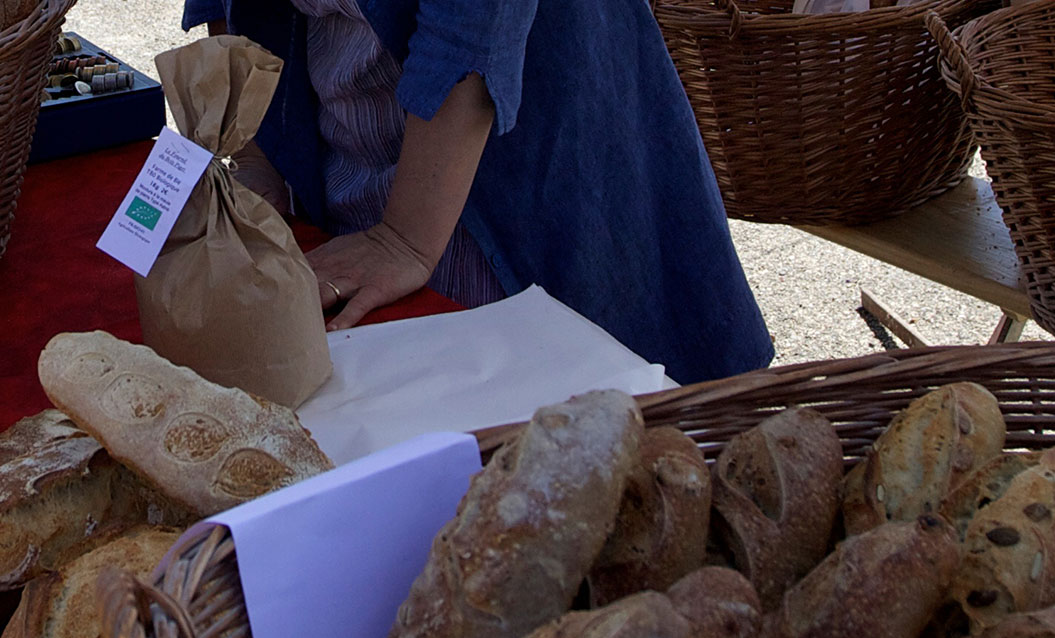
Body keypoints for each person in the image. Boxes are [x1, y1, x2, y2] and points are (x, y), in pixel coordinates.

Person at [182, 0, 775, 386]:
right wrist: (258, 162)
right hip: (350, 165)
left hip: (517, 163)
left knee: (561, 443)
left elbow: (471, 29)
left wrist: (405, 238)